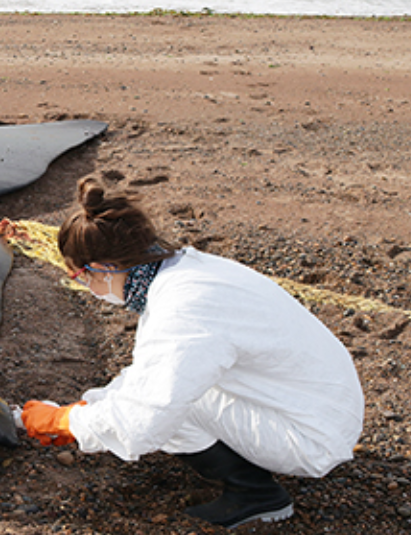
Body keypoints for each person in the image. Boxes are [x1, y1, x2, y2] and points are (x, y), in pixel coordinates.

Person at [21, 177, 364, 529]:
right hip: (313, 404)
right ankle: (249, 461)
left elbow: (146, 415)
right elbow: (148, 371)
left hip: (312, 435)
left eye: (82, 277)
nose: (86, 287)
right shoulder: (182, 272)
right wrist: (88, 407)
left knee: (174, 407)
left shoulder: (184, 307)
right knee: (169, 388)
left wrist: (67, 422)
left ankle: (255, 495)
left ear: (105, 270)